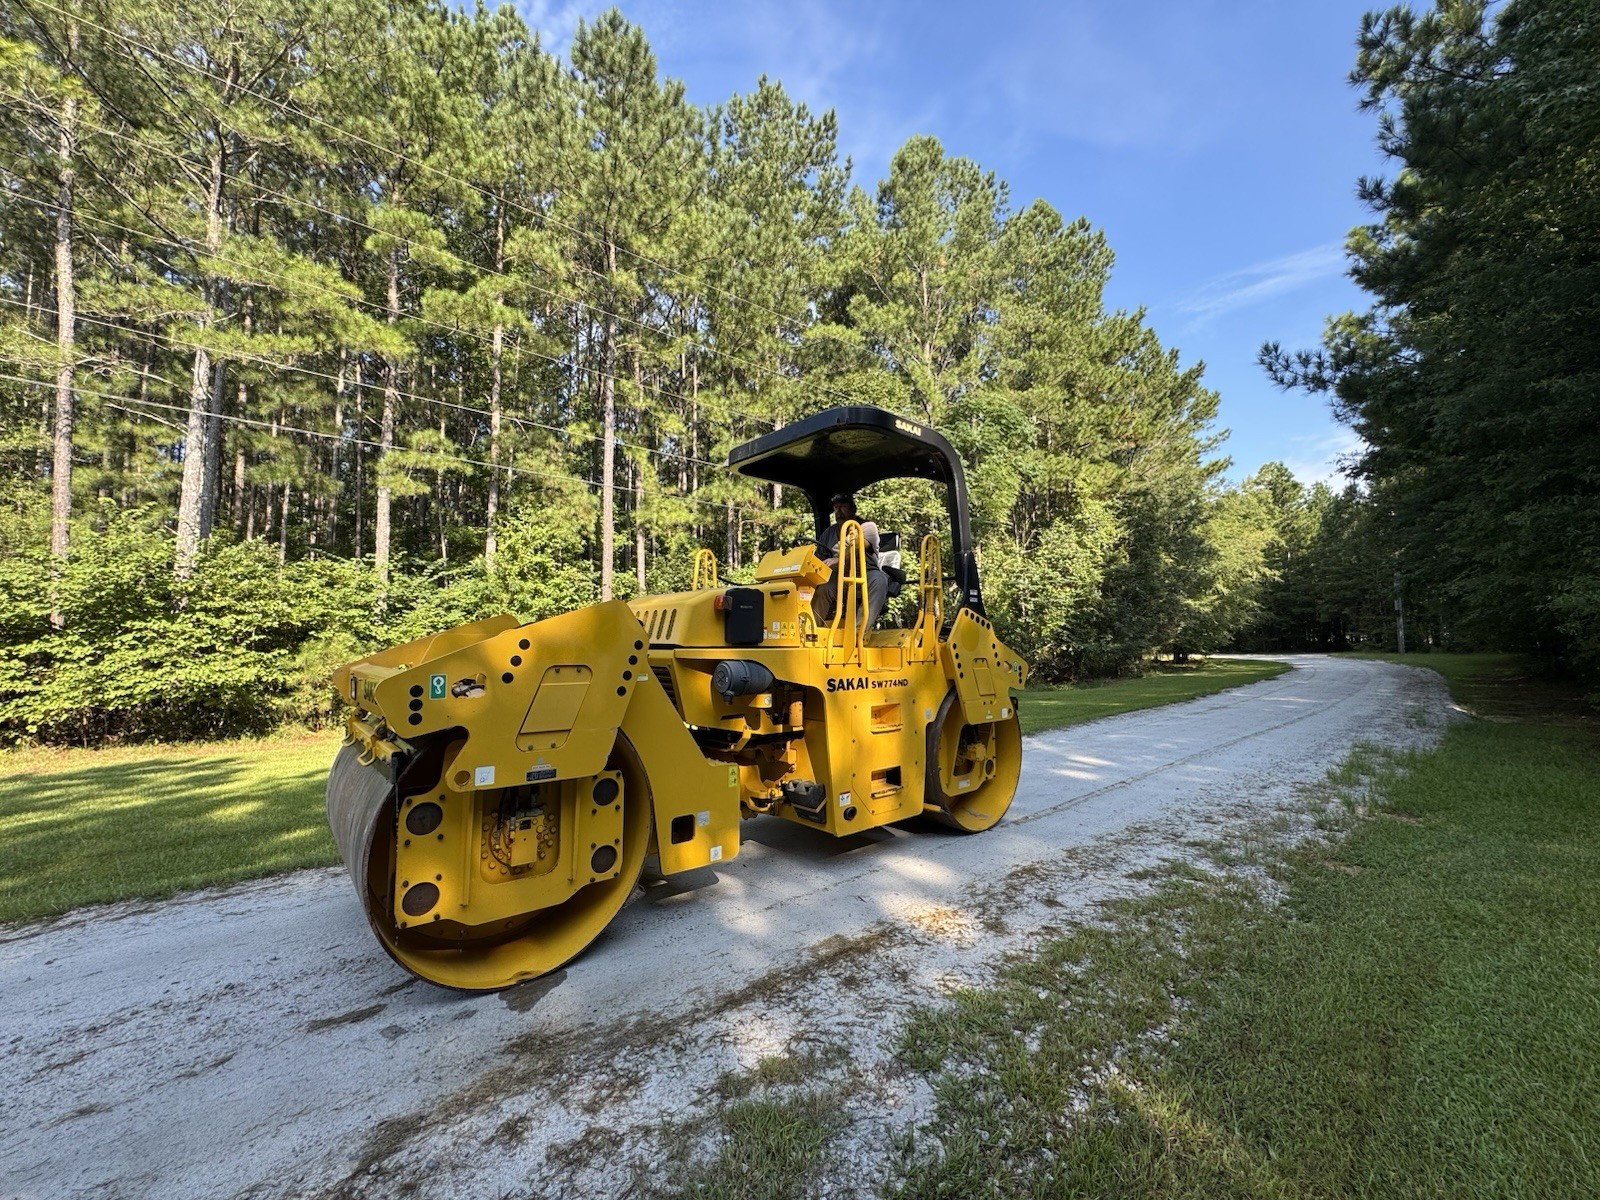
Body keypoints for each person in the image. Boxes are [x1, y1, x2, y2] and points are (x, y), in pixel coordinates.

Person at [812, 493, 889, 626]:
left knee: (880, 580)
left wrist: (838, 560)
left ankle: (858, 630)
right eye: (836, 508)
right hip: (839, 575)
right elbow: (819, 555)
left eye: (843, 507)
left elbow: (857, 545)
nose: (839, 511)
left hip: (865, 573)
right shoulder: (829, 533)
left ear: (852, 510)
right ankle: (811, 630)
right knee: (823, 588)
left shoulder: (867, 526)